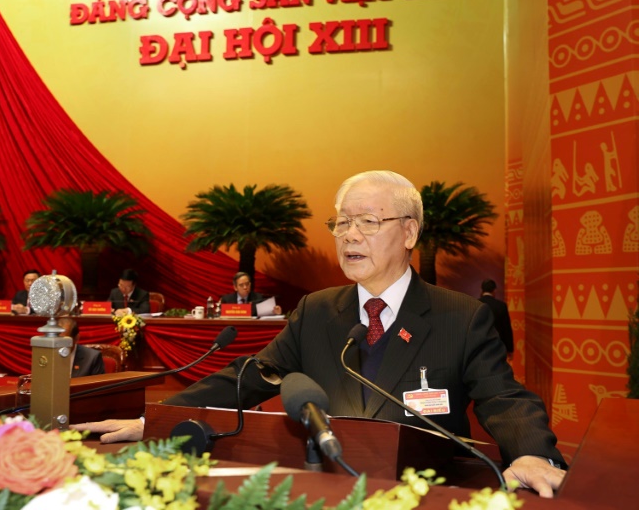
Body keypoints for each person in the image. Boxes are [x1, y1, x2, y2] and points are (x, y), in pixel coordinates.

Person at [73, 170, 566, 497]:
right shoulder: (316, 310)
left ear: (410, 233)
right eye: (342, 222)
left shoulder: (460, 316)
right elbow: (251, 376)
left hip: (418, 495)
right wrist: (158, 420)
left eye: (369, 222)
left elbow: (504, 398)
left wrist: (530, 453)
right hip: (326, 491)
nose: (350, 234)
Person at [479, 279, 514, 359]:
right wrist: (510, 349)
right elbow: (507, 329)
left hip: (480, 347)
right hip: (497, 347)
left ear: (481, 290)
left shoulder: (476, 304)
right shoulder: (501, 306)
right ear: (494, 290)